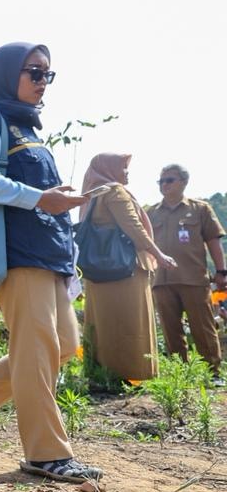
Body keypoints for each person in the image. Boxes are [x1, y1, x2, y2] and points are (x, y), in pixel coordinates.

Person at [0, 44, 104, 483]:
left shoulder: (28, 130)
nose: (42, 81)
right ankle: (46, 454)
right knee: (37, 350)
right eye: (34, 72)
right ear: (7, 74)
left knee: (61, 345)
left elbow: (37, 194)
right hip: (18, 254)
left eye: (48, 74)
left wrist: (56, 200)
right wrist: (39, 198)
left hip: (48, 255)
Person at [79, 154, 176, 382]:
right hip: (125, 270)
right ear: (109, 169)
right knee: (131, 323)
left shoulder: (94, 194)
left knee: (102, 325)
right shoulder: (115, 191)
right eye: (123, 167)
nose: (127, 172)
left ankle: (101, 376)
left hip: (98, 270)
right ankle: (132, 374)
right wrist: (159, 254)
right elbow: (133, 227)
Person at [147, 164, 226, 381]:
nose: (164, 185)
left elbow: (213, 242)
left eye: (169, 180)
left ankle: (212, 374)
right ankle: (180, 376)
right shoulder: (151, 213)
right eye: (161, 181)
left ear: (183, 182)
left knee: (203, 328)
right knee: (170, 331)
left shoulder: (200, 209)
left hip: (193, 278)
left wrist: (221, 271)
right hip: (161, 280)